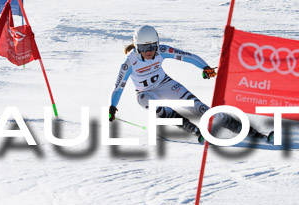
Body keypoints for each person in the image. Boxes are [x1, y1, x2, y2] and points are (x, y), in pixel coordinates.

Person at [109, 25, 272, 144]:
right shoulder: (129, 62)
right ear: (137, 47)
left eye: (152, 46)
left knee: (202, 109)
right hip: (145, 93)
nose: (149, 51)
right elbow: (118, 88)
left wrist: (205, 68)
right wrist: (112, 107)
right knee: (152, 102)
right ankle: (192, 129)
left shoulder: (161, 51)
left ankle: (255, 134)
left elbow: (188, 57)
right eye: (144, 48)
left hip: (165, 84)